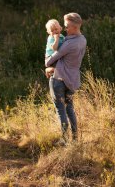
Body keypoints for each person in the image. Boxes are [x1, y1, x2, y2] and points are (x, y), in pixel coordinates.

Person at [45, 13, 87, 143]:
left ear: (74, 27)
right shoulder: (82, 40)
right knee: (70, 108)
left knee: (60, 109)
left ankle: (64, 139)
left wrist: (48, 65)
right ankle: (75, 139)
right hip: (72, 81)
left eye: (67, 26)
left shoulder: (68, 44)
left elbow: (49, 60)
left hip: (59, 80)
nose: (65, 28)